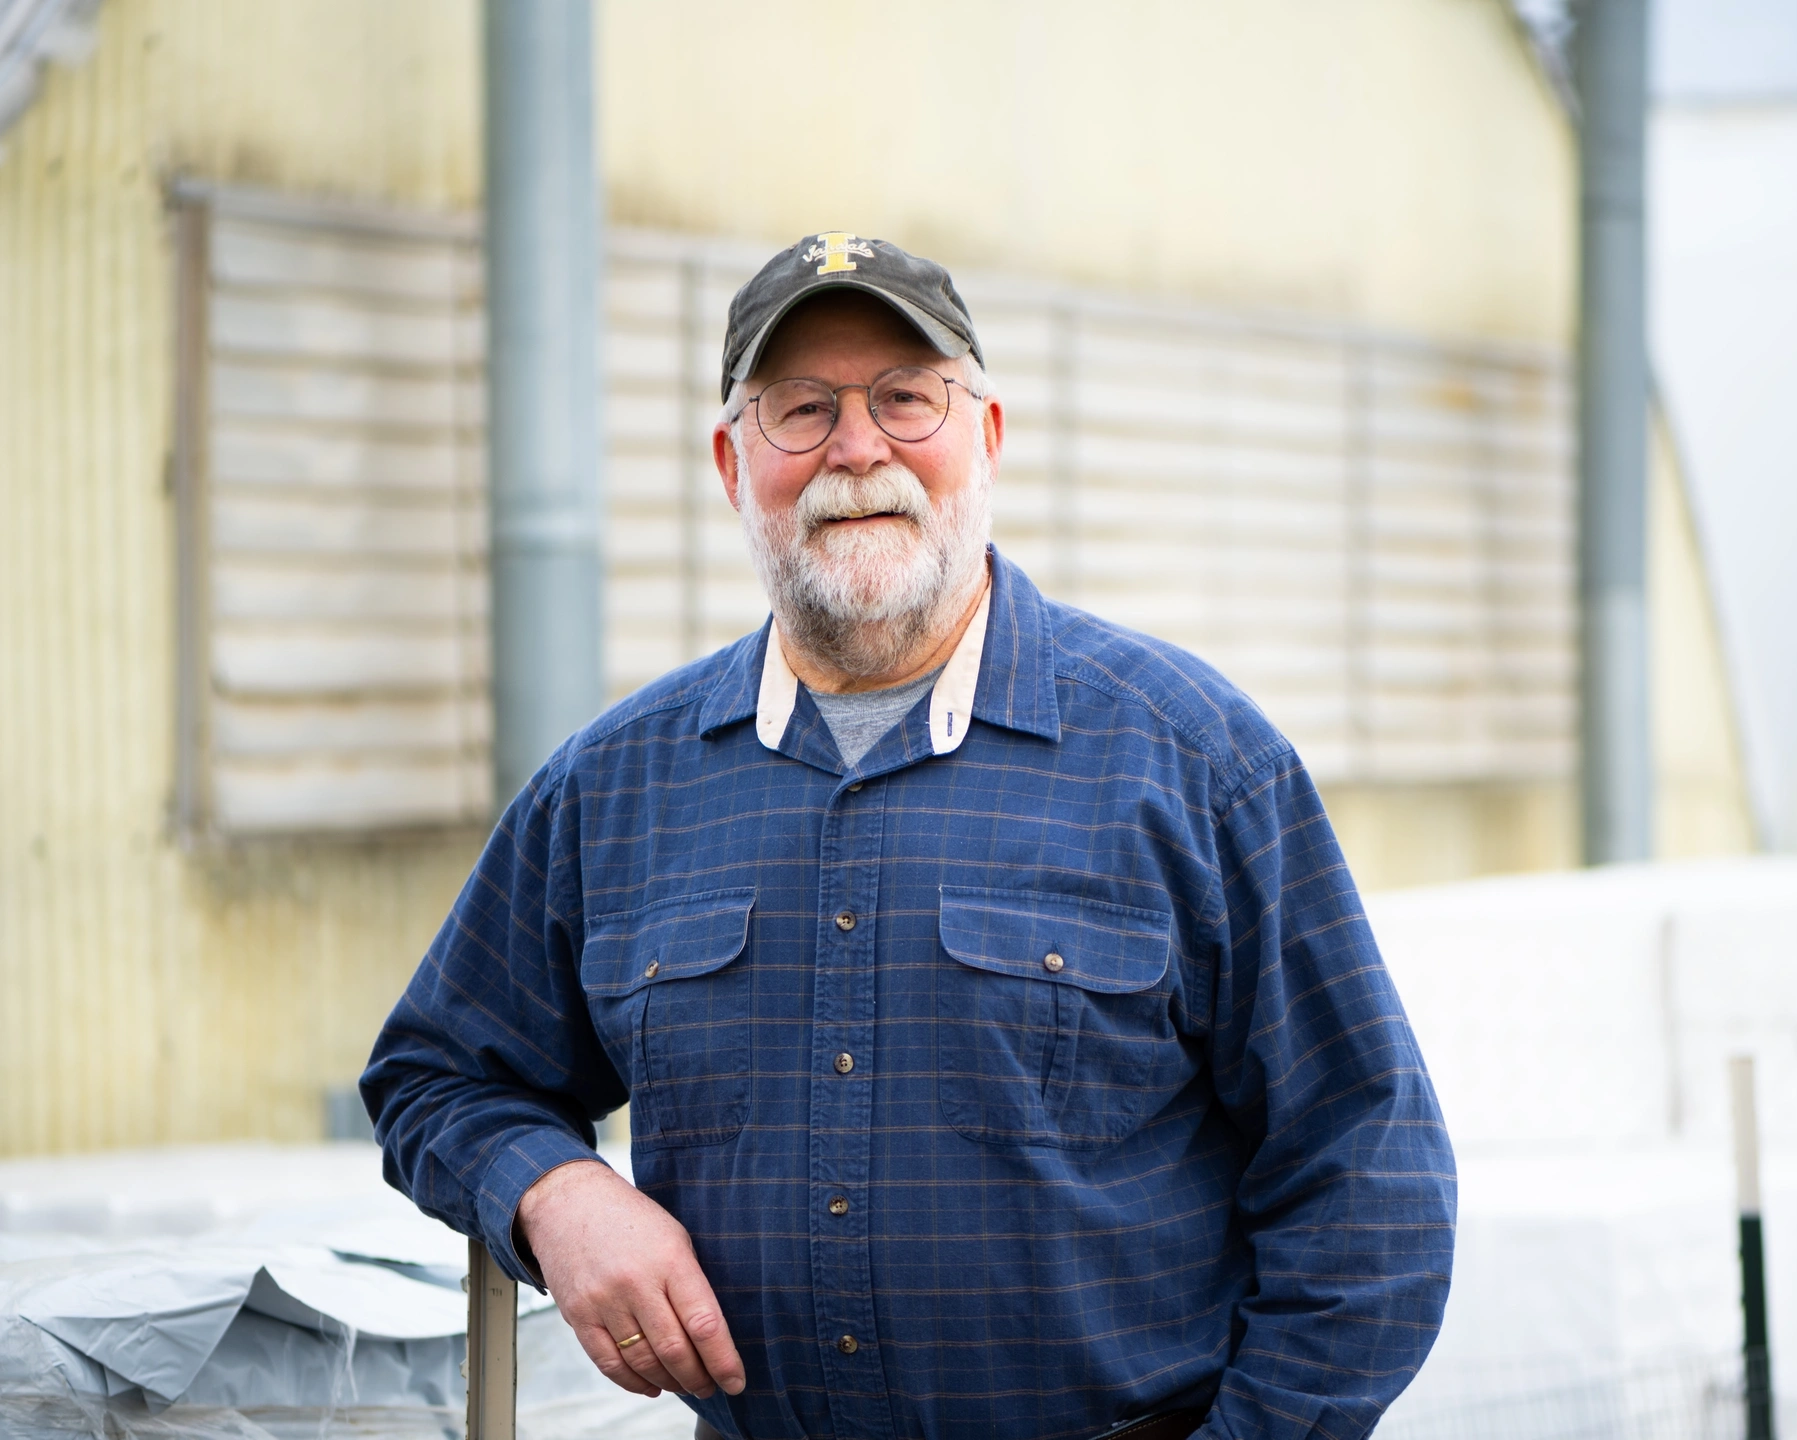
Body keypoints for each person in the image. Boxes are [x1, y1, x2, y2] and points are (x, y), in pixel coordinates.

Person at [362, 233, 1456, 1440]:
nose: (858, 448)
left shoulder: (1191, 764)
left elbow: (1371, 1186)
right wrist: (556, 1194)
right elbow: (437, 1074)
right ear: (733, 462)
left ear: (985, 436)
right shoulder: (614, 790)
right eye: (803, 409)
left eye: (905, 399)